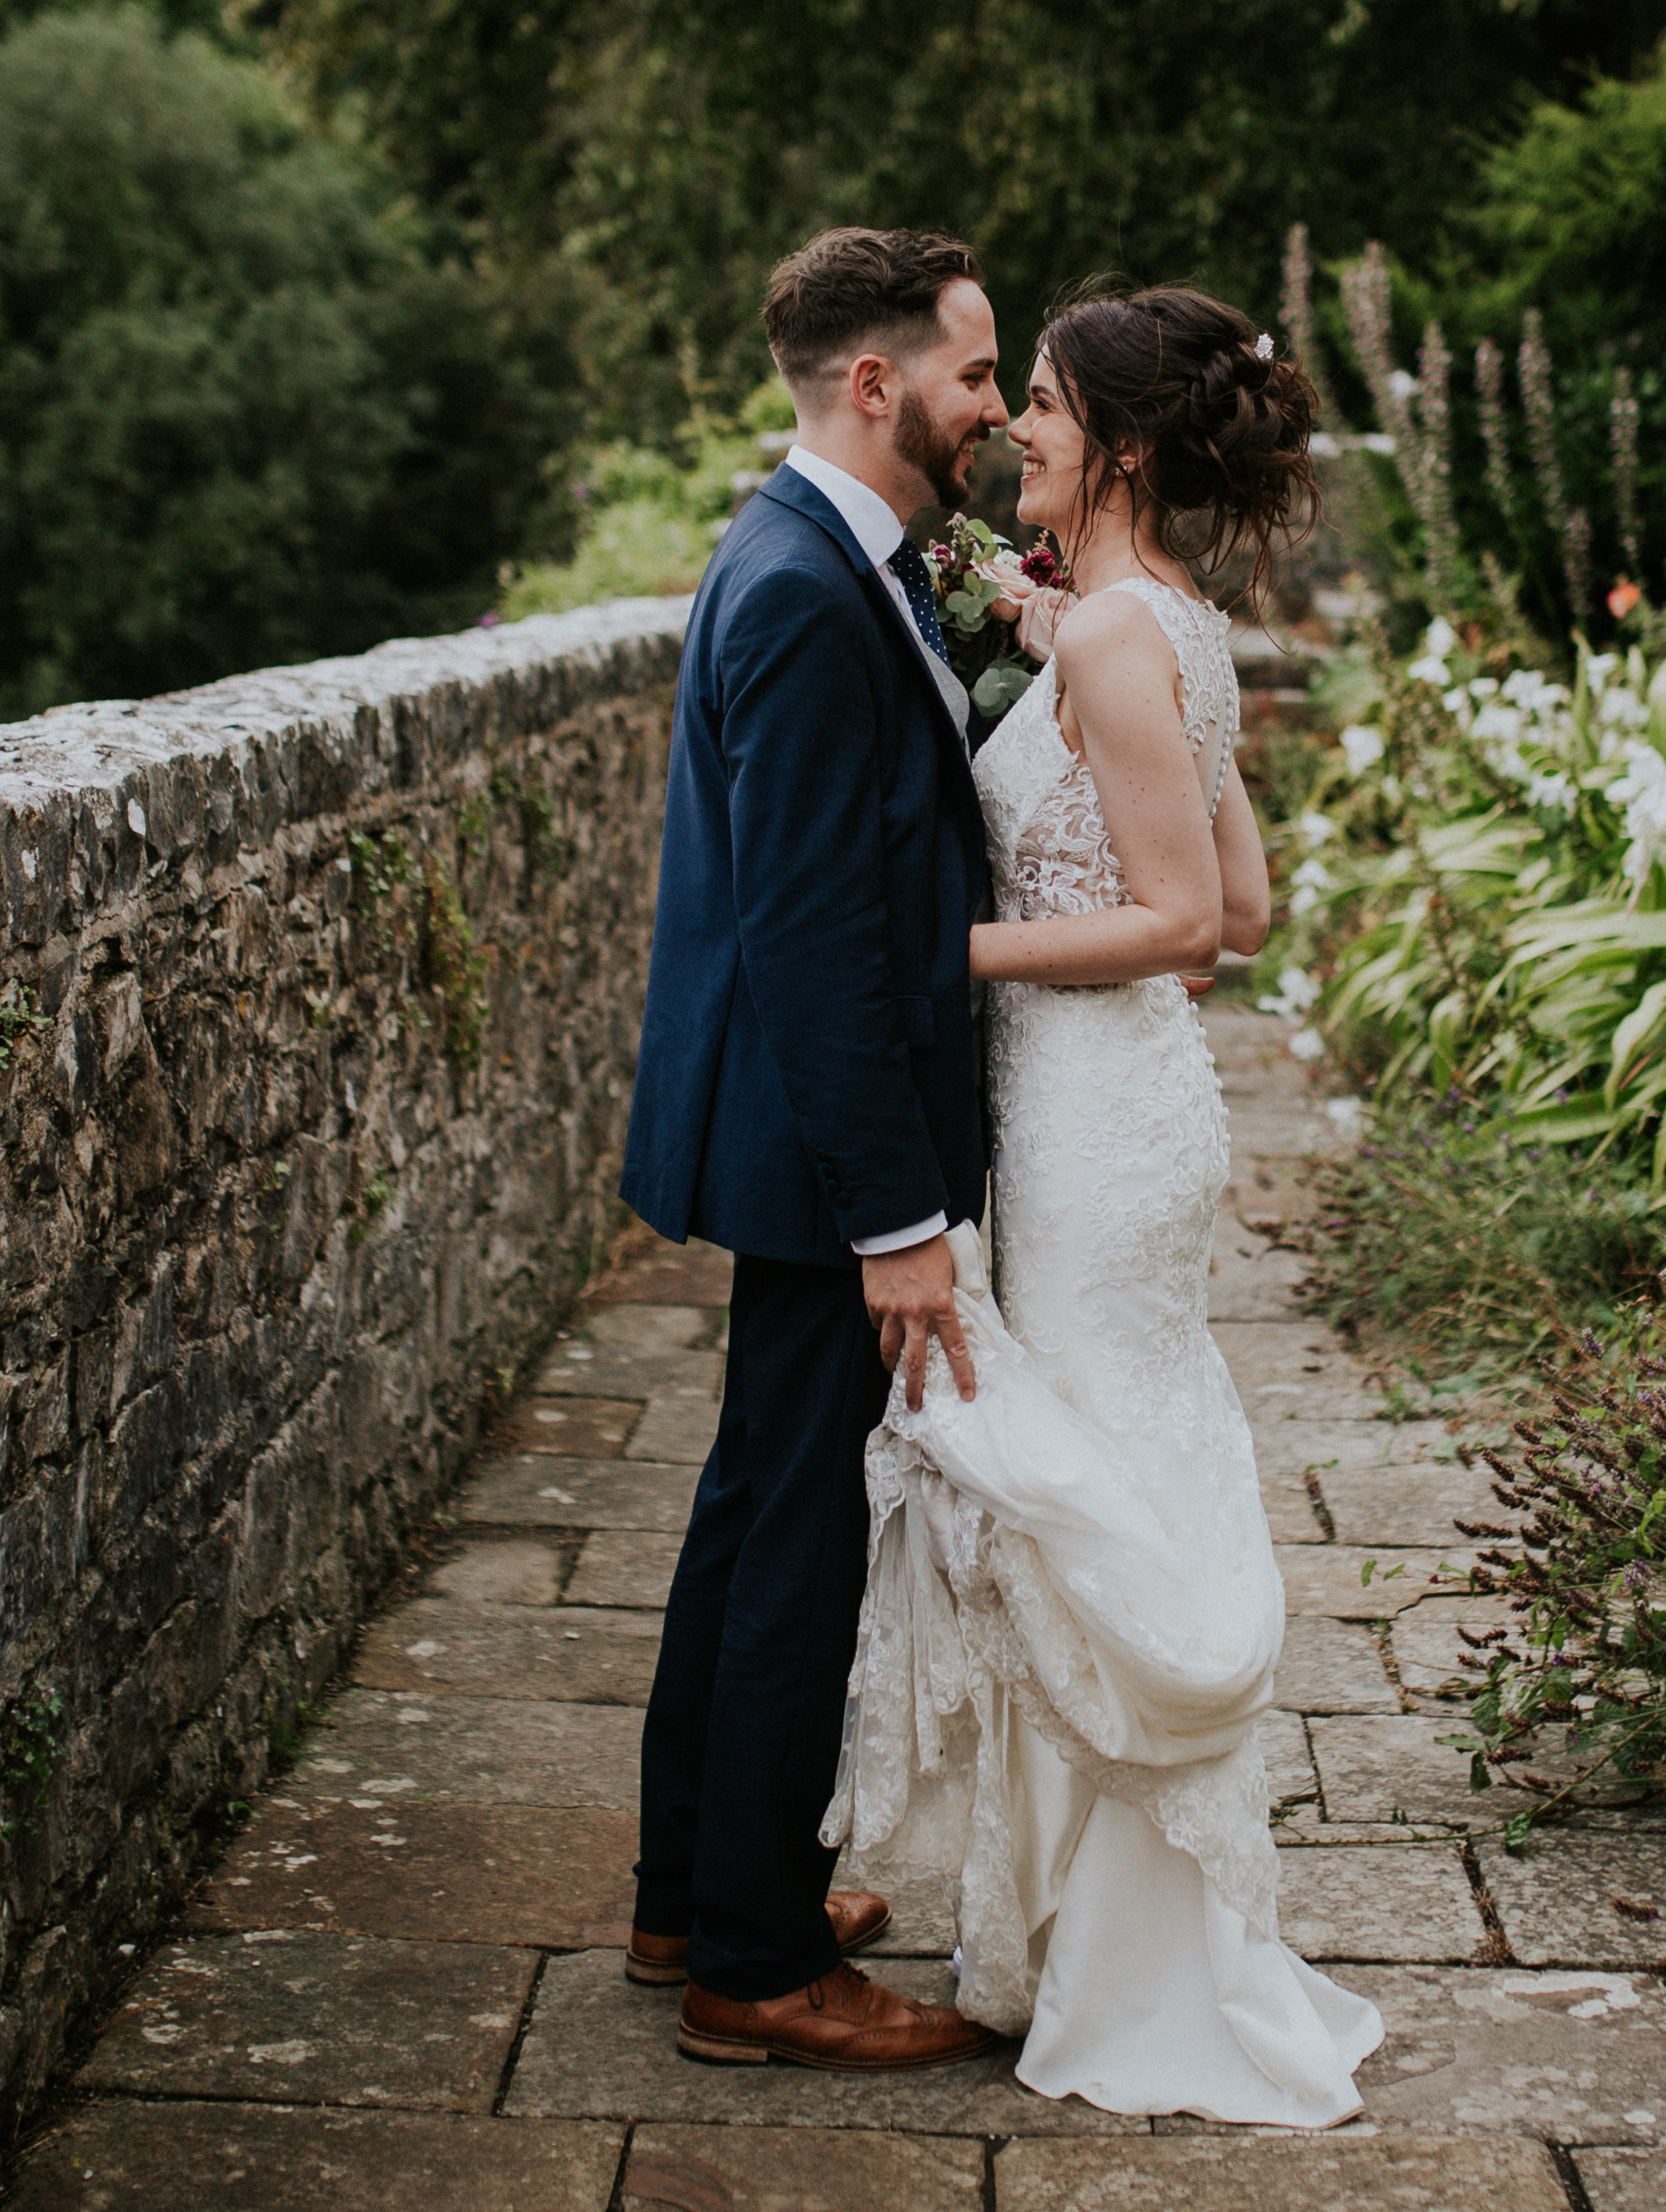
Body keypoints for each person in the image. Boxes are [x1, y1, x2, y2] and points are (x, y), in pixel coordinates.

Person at [823, 282, 1381, 2124]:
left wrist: (945, 945)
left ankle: (1128, 1967)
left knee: (1090, 1486)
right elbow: (1250, 899)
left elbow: (1191, 924)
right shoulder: (1164, 628)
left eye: (1046, 407)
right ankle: (1072, 1928)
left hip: (1090, 1116)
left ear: (1120, 448)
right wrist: (1055, 637)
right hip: (1125, 1108)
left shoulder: (1125, 642)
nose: (1018, 434)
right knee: (1114, 1458)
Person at [615, 225, 1009, 2073]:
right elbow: (812, 937)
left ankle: (694, 1884)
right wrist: (899, 1217)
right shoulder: (793, 587)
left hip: (785, 1140)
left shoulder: (837, 557)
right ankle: (757, 1966)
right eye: (978, 376)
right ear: (878, 384)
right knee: (795, 1538)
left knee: (745, 1501)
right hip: (810, 1143)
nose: (996, 412)